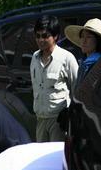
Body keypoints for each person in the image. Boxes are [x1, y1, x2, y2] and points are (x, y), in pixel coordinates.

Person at [30, 15, 78, 143]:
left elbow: (77, 91)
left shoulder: (67, 58)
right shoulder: (34, 57)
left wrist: (70, 116)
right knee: (40, 157)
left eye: (45, 36)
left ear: (55, 36)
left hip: (58, 121)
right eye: (38, 36)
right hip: (40, 119)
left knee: (57, 157)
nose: (41, 40)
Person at [65, 18, 101, 87]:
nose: (84, 41)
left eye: (89, 37)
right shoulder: (83, 63)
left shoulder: (98, 64)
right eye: (82, 36)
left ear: (98, 40)